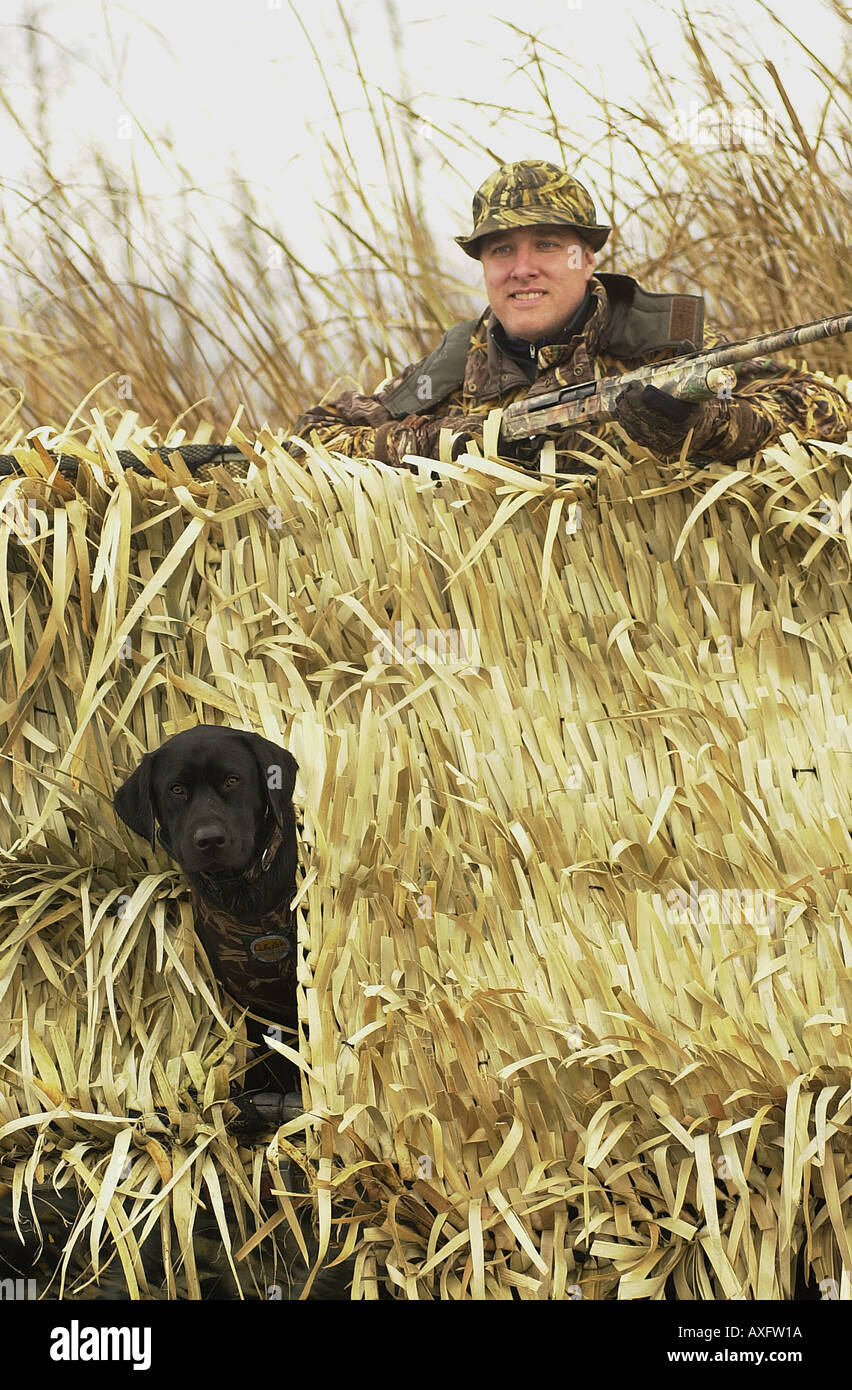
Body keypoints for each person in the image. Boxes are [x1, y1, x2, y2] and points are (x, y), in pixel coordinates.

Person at [292, 160, 851, 473]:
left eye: (547, 245)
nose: (523, 269)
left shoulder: (662, 342)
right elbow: (313, 437)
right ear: (485, 268)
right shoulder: (453, 367)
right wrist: (448, 442)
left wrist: (702, 426)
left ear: (587, 260)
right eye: (501, 251)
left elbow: (827, 408)